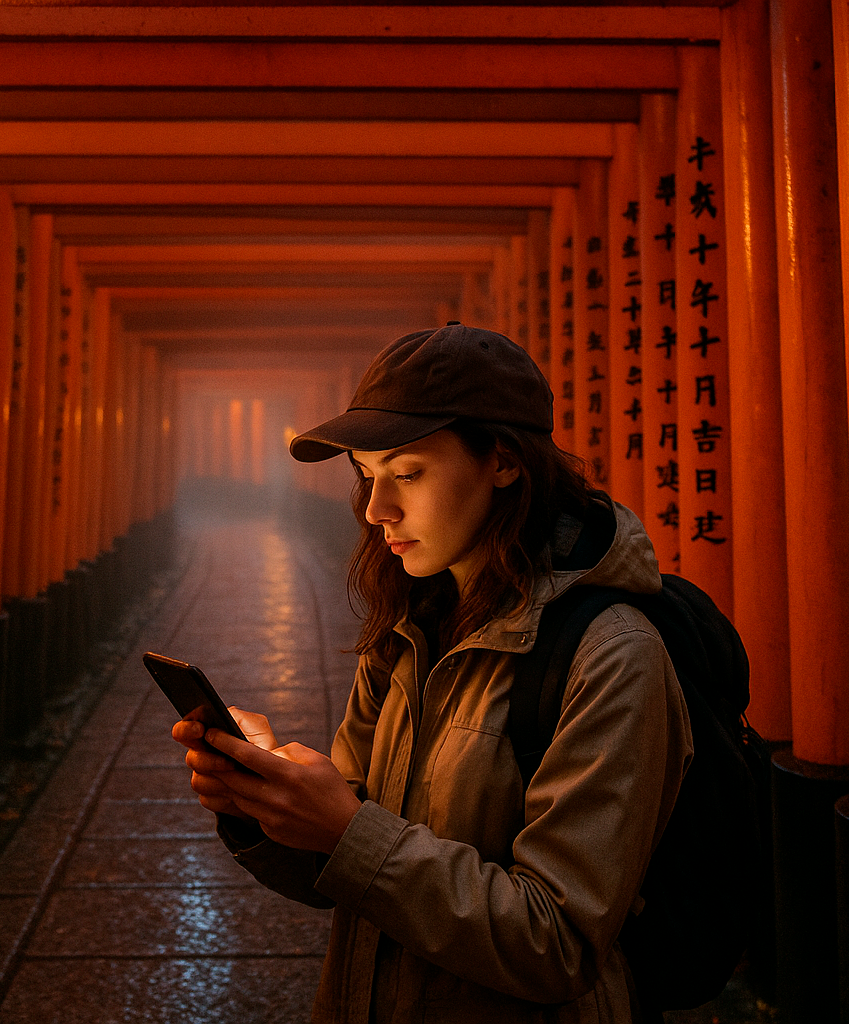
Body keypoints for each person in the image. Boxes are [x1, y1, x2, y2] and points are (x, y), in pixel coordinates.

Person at [171, 323, 693, 1024]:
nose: (376, 508)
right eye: (366, 476)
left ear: (503, 461)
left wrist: (345, 829)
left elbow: (558, 942)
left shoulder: (611, 655)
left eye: (407, 473)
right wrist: (264, 806)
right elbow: (350, 868)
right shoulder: (408, 630)